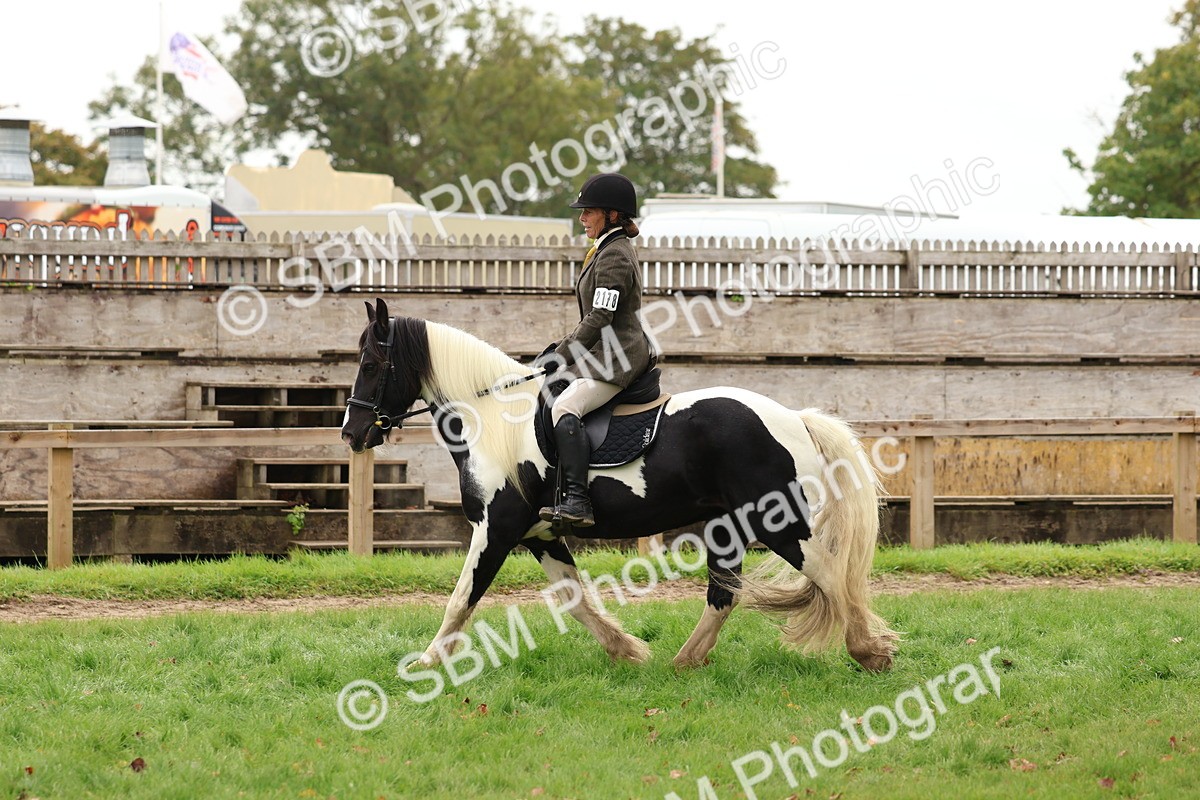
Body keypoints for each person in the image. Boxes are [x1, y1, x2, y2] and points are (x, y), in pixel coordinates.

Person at [538, 173, 653, 527]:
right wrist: (559, 349)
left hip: (618, 360)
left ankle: (578, 501)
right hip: (602, 356)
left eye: (589, 211)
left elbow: (601, 316)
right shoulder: (605, 250)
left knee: (565, 406)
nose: (582, 218)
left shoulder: (615, 255)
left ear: (613, 215)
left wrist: (563, 355)